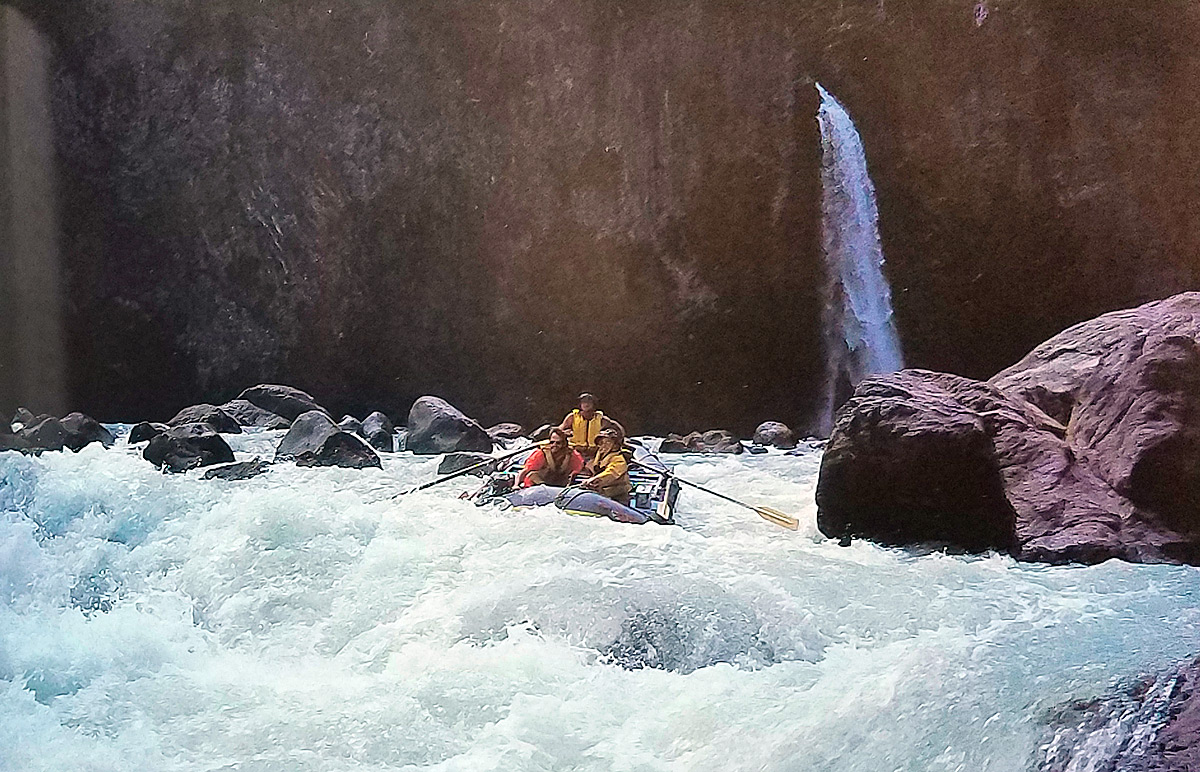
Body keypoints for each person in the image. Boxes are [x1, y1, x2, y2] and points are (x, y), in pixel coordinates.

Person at [559, 392, 624, 460]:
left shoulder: (601, 418)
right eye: (584, 402)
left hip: (595, 452)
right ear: (580, 404)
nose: (586, 404)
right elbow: (559, 430)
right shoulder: (572, 417)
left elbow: (618, 429)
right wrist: (564, 433)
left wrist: (616, 439)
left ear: (593, 405)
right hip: (575, 451)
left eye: (589, 402)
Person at [517, 428, 585, 488]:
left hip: (560, 486)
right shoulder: (541, 454)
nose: (554, 445)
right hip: (538, 487)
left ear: (564, 444)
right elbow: (525, 471)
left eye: (558, 443)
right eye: (552, 442)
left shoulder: (571, 454)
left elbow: (578, 469)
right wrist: (516, 485)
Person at [582, 428, 632, 504]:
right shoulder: (599, 457)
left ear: (615, 446)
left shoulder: (619, 459)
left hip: (617, 496)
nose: (603, 445)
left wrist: (594, 479)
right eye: (601, 442)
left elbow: (612, 472)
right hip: (600, 494)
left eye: (607, 442)